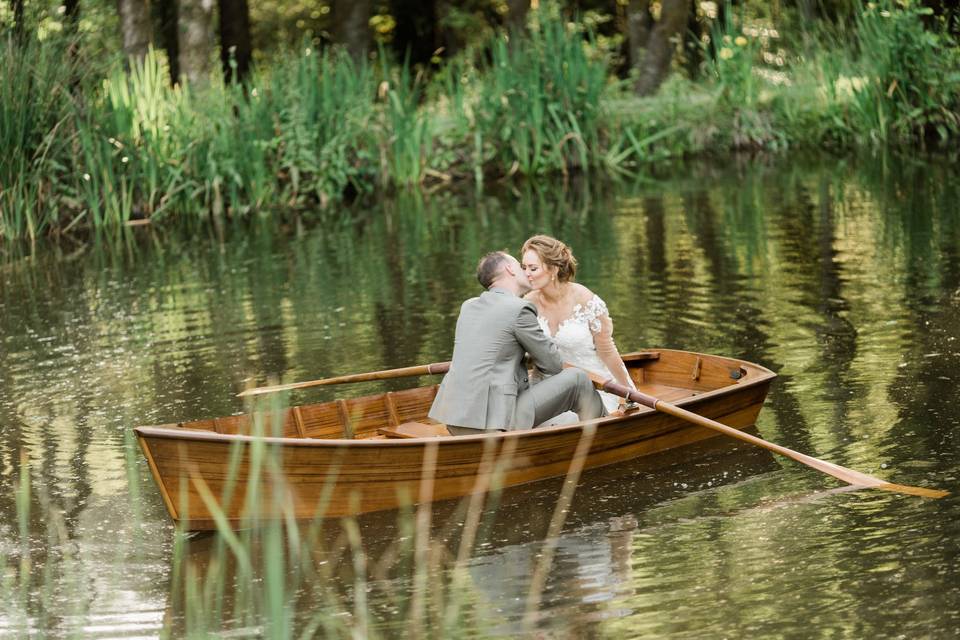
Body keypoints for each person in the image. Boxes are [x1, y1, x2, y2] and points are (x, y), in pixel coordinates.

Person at [428, 251, 606, 435]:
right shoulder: (519, 308)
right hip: (494, 424)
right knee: (578, 379)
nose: (526, 272)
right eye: (521, 267)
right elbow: (552, 364)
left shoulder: (468, 306)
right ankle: (605, 436)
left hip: (454, 419)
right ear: (509, 268)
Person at [520, 235, 637, 415]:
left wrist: (628, 392)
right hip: (545, 389)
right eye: (524, 267)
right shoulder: (527, 303)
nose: (526, 273)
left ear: (553, 269)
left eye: (533, 268)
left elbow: (607, 352)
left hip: (593, 386)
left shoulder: (586, 301)